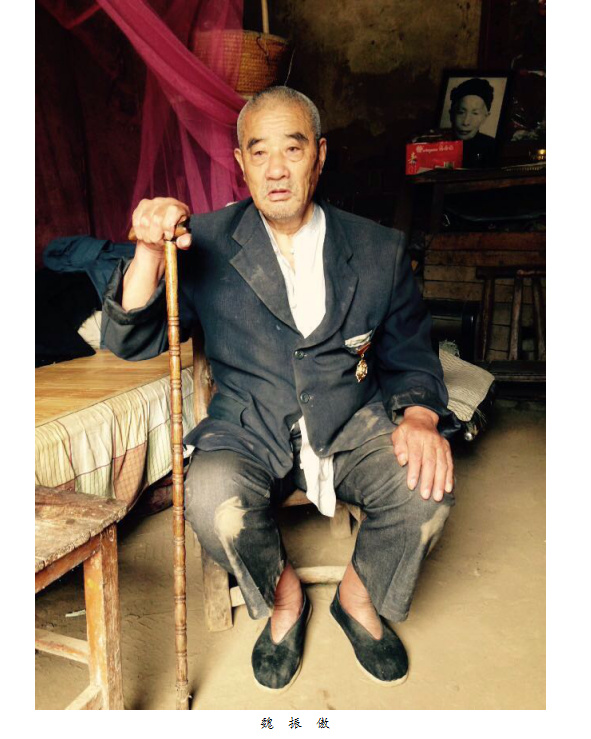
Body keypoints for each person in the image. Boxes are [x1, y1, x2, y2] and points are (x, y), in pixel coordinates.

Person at [102, 86, 459, 692]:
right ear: (239, 162)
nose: (275, 170)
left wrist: (421, 417)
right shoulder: (203, 241)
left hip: (352, 421)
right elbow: (129, 341)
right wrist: (146, 252)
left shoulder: (378, 249)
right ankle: (285, 598)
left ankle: (356, 598)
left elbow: (411, 353)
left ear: (319, 155)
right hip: (248, 424)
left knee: (428, 489)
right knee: (211, 498)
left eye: (292, 150)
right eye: (258, 151)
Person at [449, 78, 497, 167]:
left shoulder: (492, 147)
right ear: (451, 114)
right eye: (461, 112)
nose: (466, 122)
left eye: (475, 113)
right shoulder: (436, 142)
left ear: (485, 117)